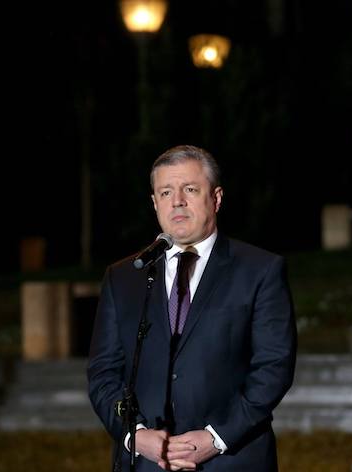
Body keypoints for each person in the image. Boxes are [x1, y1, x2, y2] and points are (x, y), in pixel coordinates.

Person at [88, 144, 297, 471]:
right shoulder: (124, 277)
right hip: (145, 462)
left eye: (190, 189)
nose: (178, 201)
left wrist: (216, 437)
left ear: (216, 198)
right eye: (166, 192)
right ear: (155, 203)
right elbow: (103, 373)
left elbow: (274, 366)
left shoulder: (260, 270)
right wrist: (136, 434)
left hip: (232, 459)